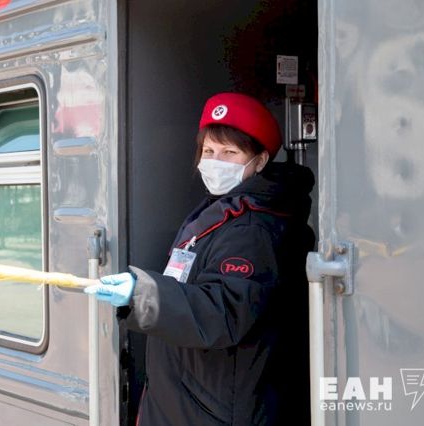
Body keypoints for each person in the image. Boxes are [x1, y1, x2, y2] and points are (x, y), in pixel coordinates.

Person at [85, 93, 315, 425]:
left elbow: (224, 310)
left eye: (230, 152)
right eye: (209, 151)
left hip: (214, 411)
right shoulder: (222, 209)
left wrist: (143, 294)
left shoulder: (253, 229)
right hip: (192, 402)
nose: (215, 161)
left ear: (260, 161)